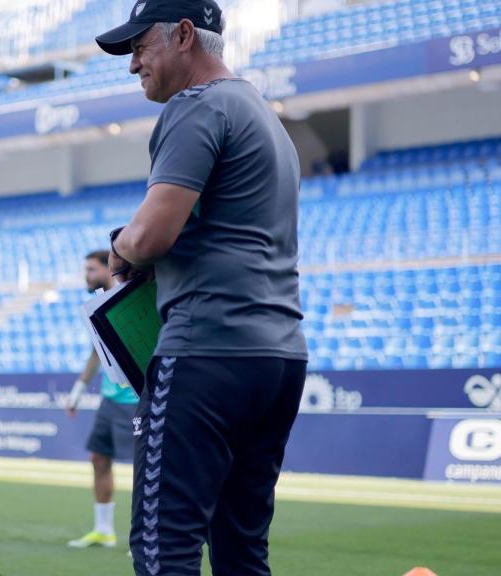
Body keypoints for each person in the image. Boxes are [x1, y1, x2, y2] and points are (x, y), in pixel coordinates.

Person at [95, 1, 309, 575]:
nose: (133, 64)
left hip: (206, 352)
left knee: (165, 547)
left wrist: (119, 251)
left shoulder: (197, 106)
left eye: (140, 46)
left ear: (184, 35)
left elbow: (149, 237)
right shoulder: (263, 116)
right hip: (279, 356)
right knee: (241, 550)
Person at [66, 250, 139, 550]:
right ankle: (104, 530)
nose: (86, 274)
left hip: (133, 399)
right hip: (109, 400)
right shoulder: (97, 306)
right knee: (98, 458)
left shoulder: (125, 300)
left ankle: (148, 538)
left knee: (146, 468)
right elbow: (98, 351)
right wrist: (78, 390)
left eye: (91, 269)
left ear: (107, 271)